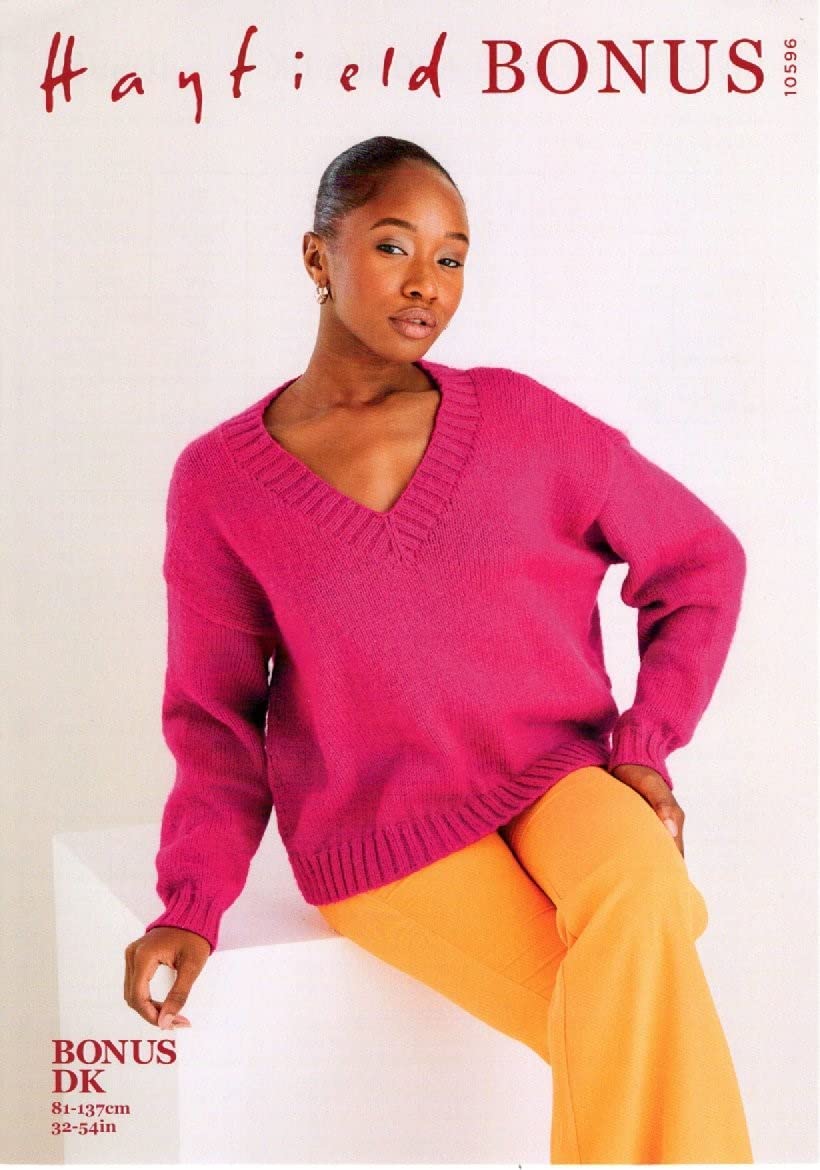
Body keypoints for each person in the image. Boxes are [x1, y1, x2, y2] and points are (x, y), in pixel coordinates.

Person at [123, 135, 754, 1163]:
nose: (427, 283)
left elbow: (701, 562)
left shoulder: (521, 420)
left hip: (554, 774)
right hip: (382, 830)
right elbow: (215, 714)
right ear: (317, 256)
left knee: (643, 890)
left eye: (451, 257)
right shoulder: (220, 483)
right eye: (392, 246)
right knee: (629, 1027)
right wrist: (190, 904)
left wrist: (643, 746)